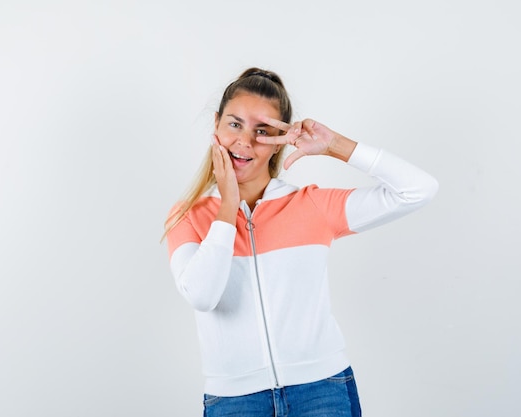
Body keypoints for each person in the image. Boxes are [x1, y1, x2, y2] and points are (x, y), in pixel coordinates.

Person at [162, 67, 438, 417]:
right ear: (216, 124)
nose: (245, 141)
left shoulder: (311, 206)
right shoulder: (186, 215)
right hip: (235, 401)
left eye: (263, 131)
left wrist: (335, 146)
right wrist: (227, 207)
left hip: (322, 391)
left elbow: (419, 190)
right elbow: (202, 295)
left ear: (280, 141)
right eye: (235, 124)